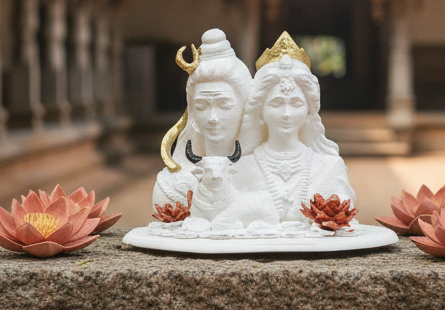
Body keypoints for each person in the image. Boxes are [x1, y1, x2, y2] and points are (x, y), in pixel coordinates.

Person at [235, 52, 355, 224]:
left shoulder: (330, 167)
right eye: (276, 103)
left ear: (308, 112)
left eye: (296, 103)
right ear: (260, 113)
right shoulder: (241, 168)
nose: (287, 114)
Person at [152, 28, 253, 213]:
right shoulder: (172, 186)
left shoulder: (260, 174)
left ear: (244, 108)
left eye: (224, 104)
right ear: (192, 113)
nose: (213, 118)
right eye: (201, 106)